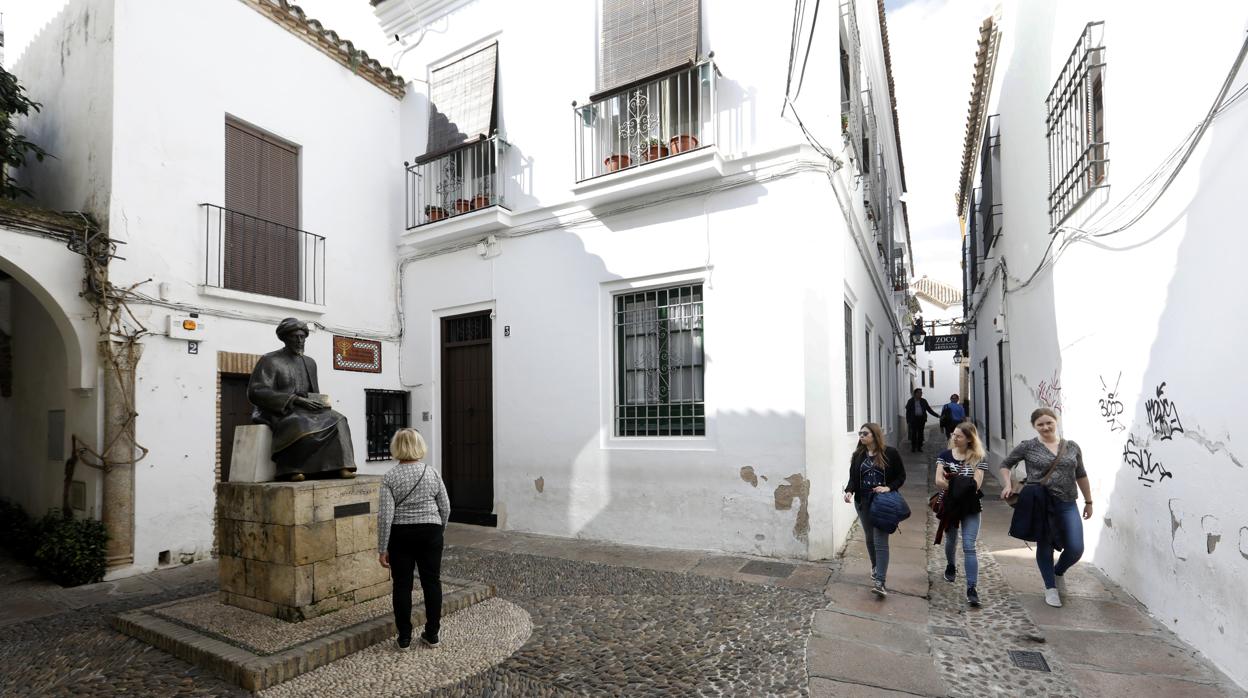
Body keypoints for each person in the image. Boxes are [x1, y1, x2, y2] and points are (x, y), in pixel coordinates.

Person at [999, 407, 1093, 608]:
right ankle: (1050, 587)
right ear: (1034, 427)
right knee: (1045, 545)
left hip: (1067, 503)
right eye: (1040, 424)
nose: (1045, 427)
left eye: (1048, 422)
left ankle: (1058, 572)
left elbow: (1081, 474)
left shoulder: (1072, 447)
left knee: (1076, 548)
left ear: (1055, 422)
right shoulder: (1028, 446)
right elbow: (1006, 465)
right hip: (1040, 502)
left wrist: (1089, 501)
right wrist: (1008, 484)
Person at [248, 317, 356, 481]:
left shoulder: (310, 362)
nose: (300, 340)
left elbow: (313, 392)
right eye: (295, 337)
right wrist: (294, 400)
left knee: (338, 419)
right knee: (299, 423)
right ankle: (291, 469)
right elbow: (256, 391)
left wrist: (320, 403)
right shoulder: (270, 360)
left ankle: (340, 466)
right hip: (281, 410)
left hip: (306, 408)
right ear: (284, 338)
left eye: (302, 337)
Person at [378, 428, 451, 649]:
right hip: (431, 531)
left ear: (396, 447)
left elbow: (385, 516)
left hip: (401, 535)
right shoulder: (432, 472)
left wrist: (382, 548)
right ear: (419, 446)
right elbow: (445, 507)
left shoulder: (390, 477)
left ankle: (404, 637)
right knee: (432, 582)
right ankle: (432, 634)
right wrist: (439, 530)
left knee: (402, 585)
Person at [843, 423, 906, 597]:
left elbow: (901, 476)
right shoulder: (858, 455)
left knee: (880, 540)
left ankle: (880, 581)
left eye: (865, 433)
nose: (861, 436)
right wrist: (849, 491)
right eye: (860, 433)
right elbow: (853, 478)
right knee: (870, 539)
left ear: (874, 435)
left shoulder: (890, 453)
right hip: (863, 502)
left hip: (882, 502)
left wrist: (888, 487)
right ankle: (875, 566)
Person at [934, 422, 987, 607]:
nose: (954, 438)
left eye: (958, 436)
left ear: (969, 439)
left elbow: (977, 484)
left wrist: (955, 484)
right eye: (953, 434)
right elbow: (938, 480)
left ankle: (972, 588)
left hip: (971, 506)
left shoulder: (979, 458)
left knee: (969, 546)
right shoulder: (944, 456)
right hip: (950, 505)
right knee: (951, 540)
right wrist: (961, 486)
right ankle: (950, 565)